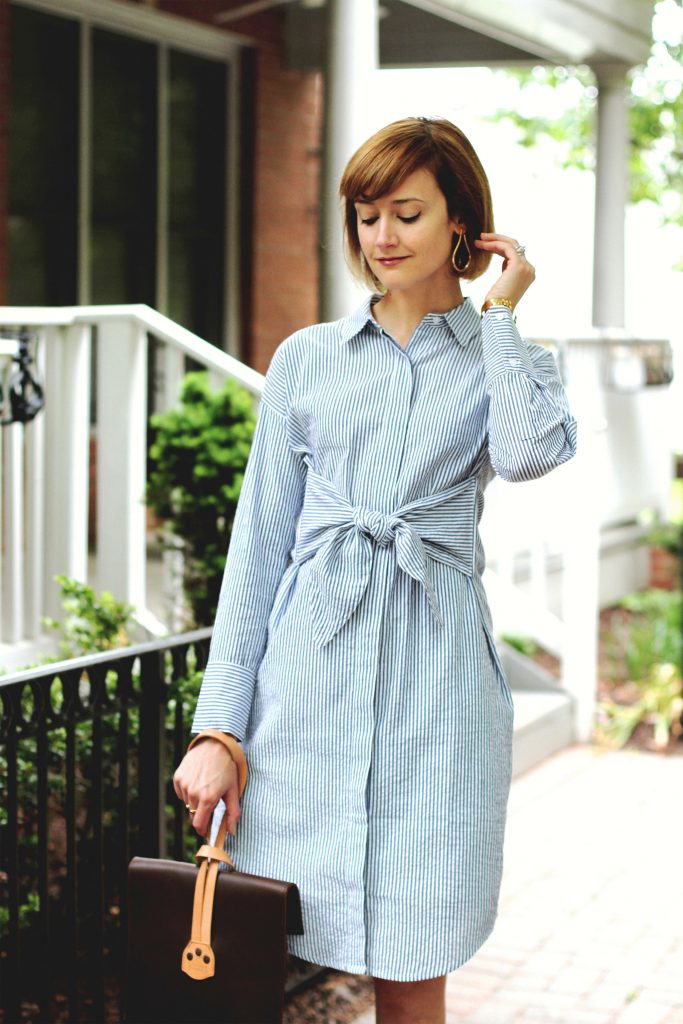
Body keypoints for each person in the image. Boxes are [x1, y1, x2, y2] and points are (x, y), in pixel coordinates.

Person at [173, 116, 577, 1024]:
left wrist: (502, 313)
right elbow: (258, 548)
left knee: (412, 965)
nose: (382, 237)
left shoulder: (501, 359)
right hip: (303, 697)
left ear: (462, 228)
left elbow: (521, 455)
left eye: (407, 213)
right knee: (243, 951)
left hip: (437, 703)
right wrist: (217, 728)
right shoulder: (307, 361)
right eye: (365, 216)